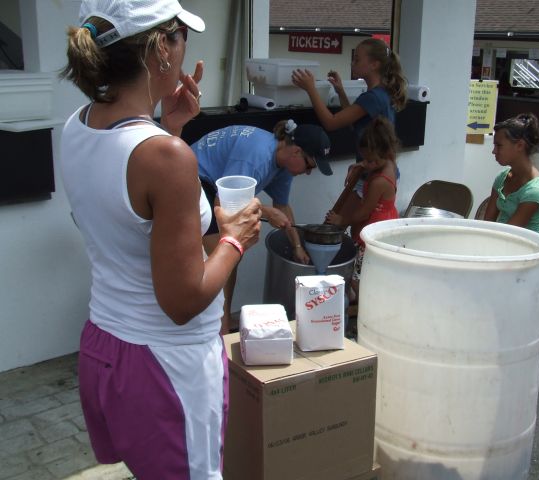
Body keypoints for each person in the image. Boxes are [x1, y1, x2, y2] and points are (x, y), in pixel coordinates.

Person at [59, 1, 261, 478]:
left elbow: (124, 208)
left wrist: (169, 128)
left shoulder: (77, 125)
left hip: (106, 347)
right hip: (167, 366)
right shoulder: (164, 157)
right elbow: (183, 300)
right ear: (161, 50)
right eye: (181, 36)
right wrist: (234, 240)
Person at [191, 119, 332, 333]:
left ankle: (222, 321)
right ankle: (220, 327)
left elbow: (282, 207)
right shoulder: (257, 157)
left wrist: (297, 246)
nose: (309, 172)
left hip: (213, 187)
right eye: (310, 165)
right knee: (223, 256)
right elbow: (225, 203)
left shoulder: (282, 165)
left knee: (231, 257)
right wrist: (266, 212)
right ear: (296, 151)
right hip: (196, 180)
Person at [291, 38, 407, 239]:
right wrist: (340, 91)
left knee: (334, 227)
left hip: (372, 174)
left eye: (357, 59)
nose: (353, 63)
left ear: (374, 64)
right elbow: (355, 120)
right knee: (353, 229)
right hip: (376, 168)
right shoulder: (381, 94)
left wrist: (311, 89)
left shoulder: (372, 97)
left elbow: (331, 122)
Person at [325, 117, 400, 301]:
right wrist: (361, 165)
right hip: (385, 222)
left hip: (373, 232)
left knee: (358, 277)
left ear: (385, 153)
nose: (367, 163)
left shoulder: (379, 182)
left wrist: (341, 220)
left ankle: (365, 306)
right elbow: (372, 164)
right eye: (365, 158)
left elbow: (364, 213)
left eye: (371, 160)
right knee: (369, 273)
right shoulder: (389, 163)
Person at [484, 113, 539, 233]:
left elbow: (509, 234)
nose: (494, 151)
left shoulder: (534, 192)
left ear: (519, 145)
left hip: (519, 243)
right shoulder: (502, 177)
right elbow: (487, 223)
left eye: (499, 145)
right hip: (498, 240)